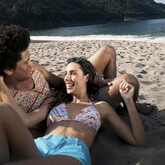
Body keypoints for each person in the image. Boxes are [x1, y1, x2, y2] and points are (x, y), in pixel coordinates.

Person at [0, 57, 146, 165]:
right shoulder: (55, 101)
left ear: (86, 77)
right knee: (2, 110)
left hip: (70, 153)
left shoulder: (101, 107)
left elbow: (138, 141)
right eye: (65, 74)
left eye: (73, 73)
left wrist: (128, 101)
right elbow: (26, 120)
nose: (67, 78)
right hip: (40, 146)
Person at [0, 24, 139, 132]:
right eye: (25, 62)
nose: (31, 64)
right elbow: (26, 125)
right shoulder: (8, 97)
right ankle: (116, 106)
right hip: (73, 110)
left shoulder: (34, 69)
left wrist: (95, 81)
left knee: (107, 50)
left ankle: (124, 107)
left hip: (74, 89)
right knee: (129, 80)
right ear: (8, 70)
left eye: (30, 58)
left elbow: (59, 83)